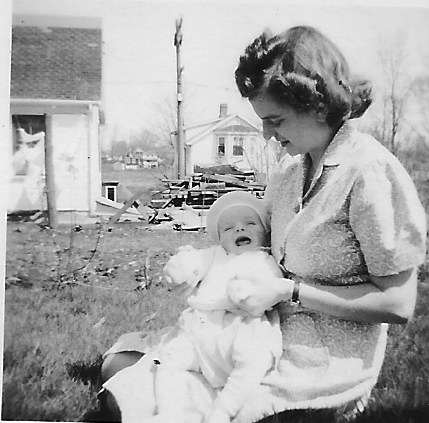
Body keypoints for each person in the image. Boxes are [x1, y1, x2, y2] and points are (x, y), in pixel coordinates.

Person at [229, 24, 427, 420]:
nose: (266, 134)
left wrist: (291, 291)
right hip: (265, 336)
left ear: (317, 105)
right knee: (132, 371)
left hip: (325, 365)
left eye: (276, 120)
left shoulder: (368, 172)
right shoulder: (289, 172)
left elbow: (399, 304)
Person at [98, 191, 287, 423]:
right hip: (200, 327)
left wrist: (249, 291)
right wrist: (180, 268)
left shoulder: (263, 259)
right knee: (170, 361)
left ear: (265, 233)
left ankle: (223, 411)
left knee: (253, 362)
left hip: (245, 327)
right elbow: (192, 263)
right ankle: (169, 411)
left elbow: (272, 284)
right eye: (229, 228)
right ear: (219, 238)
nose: (239, 229)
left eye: (249, 223)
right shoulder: (215, 255)